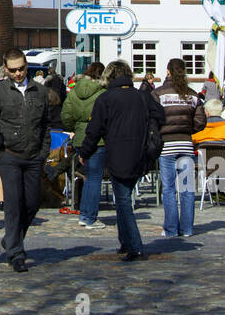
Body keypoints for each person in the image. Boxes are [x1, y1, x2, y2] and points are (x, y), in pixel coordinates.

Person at [79, 60, 156, 262]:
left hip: (118, 153)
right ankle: (125, 241)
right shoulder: (142, 96)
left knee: (123, 202)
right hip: (139, 153)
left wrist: (85, 152)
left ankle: (135, 246)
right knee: (124, 198)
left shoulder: (106, 99)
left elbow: (94, 130)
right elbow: (161, 116)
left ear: (109, 77)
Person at [0, 48, 48, 272]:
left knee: (32, 203)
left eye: (21, 69)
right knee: (12, 205)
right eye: (13, 70)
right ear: (6, 68)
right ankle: (15, 253)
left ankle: (12, 237)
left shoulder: (39, 91)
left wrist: (43, 153)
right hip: (9, 156)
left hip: (33, 156)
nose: (18, 73)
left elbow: (45, 125)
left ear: (26, 65)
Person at [153, 58, 206, 237]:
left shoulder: (158, 94)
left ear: (168, 72)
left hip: (166, 145)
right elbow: (200, 122)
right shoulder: (193, 95)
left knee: (168, 189)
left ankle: (171, 229)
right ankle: (187, 229)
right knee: (187, 189)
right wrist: (187, 128)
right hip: (185, 145)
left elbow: (152, 119)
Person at [61, 62, 106, 229]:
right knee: (94, 178)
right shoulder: (102, 92)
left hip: (80, 138)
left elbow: (66, 116)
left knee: (87, 176)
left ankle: (84, 214)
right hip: (98, 139)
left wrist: (76, 129)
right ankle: (90, 217)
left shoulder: (74, 91)